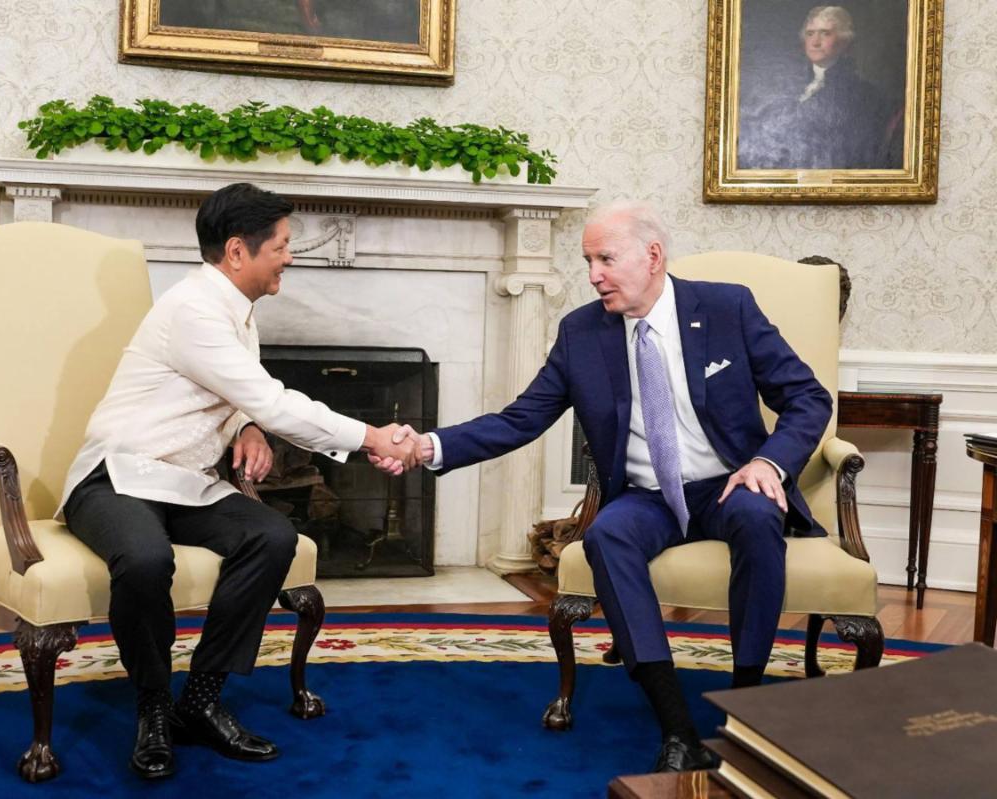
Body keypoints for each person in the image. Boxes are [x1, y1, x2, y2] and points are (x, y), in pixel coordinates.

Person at [380, 201, 832, 771]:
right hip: (648, 497)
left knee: (759, 515)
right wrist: (428, 446)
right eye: (588, 261)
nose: (593, 275)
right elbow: (522, 418)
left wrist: (769, 462)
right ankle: (676, 729)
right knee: (605, 536)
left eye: (606, 259)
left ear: (652, 256)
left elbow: (807, 397)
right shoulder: (581, 332)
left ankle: (745, 704)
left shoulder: (726, 307)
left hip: (728, 483)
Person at [57, 182, 417, 780]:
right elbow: (270, 399)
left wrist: (245, 425)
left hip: (183, 483)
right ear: (236, 251)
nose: (290, 257)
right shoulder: (194, 310)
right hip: (115, 477)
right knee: (145, 559)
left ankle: (201, 699)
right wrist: (373, 437)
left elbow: (233, 394)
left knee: (272, 537)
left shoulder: (233, 310)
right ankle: (153, 706)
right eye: (281, 246)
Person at [737, 6, 902, 170]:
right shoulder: (788, 85)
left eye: (825, 33)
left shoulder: (863, 94)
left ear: (844, 41)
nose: (815, 42)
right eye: (810, 34)